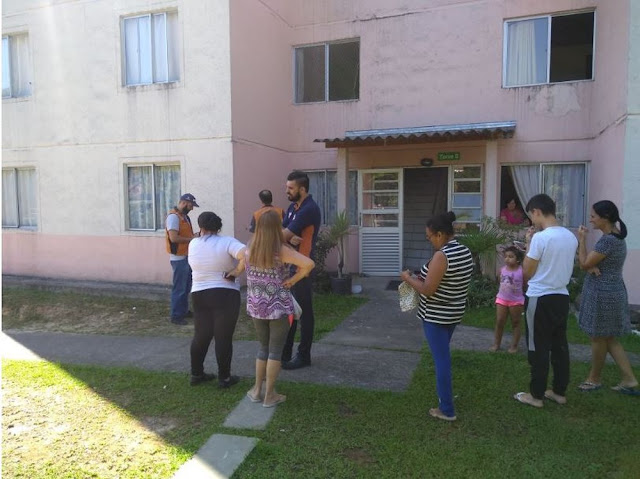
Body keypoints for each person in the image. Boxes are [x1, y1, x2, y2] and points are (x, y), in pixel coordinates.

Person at [400, 211, 474, 421]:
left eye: (430, 237)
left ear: (440, 234)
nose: (429, 240)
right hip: (453, 313)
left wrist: (407, 278)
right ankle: (446, 396)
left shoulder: (442, 255)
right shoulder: (464, 251)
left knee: (442, 361)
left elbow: (428, 289)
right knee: (443, 356)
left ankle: (447, 409)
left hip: (436, 316)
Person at [513, 194, 578, 408]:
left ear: (537, 211)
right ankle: (559, 391)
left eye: (531, 216)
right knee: (559, 345)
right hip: (561, 296)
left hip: (539, 297)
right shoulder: (570, 236)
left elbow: (527, 271)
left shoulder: (541, 238)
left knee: (537, 346)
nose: (532, 221)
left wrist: (529, 243)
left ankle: (536, 395)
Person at [245, 211, 315, 407]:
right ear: (277, 227)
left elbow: (241, 265)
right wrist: (292, 280)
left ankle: (256, 390)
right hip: (278, 306)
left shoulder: (249, 248)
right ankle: (270, 395)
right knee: (275, 351)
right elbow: (309, 264)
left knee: (263, 348)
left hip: (256, 306)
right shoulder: (280, 250)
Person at [576, 201, 639, 395]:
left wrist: (582, 239)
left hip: (603, 294)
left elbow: (583, 263)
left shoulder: (608, 241)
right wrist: (591, 266)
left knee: (598, 337)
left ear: (605, 217)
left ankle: (594, 379)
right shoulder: (616, 237)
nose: (590, 219)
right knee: (608, 337)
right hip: (611, 291)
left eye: (593, 216)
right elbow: (591, 264)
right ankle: (629, 379)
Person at [187, 211, 246, 388]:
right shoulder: (227, 242)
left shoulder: (193, 243)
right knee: (223, 336)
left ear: (200, 226)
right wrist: (236, 272)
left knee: (201, 335)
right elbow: (247, 254)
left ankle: (196, 374)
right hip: (225, 293)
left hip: (199, 293)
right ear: (218, 227)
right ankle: (224, 378)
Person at [281, 170, 321, 370]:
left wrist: (287, 236)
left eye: (291, 188)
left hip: (303, 268)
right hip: (292, 267)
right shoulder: (292, 207)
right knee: (290, 310)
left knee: (304, 313)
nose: (286, 191)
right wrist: (288, 237)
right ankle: (285, 353)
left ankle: (304, 356)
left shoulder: (309, 209)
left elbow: (281, 235)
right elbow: (282, 232)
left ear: (302, 189)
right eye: (287, 187)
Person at [166, 193, 199, 325]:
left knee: (186, 287)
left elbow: (185, 234)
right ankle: (176, 315)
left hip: (186, 256)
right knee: (180, 288)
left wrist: (194, 236)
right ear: (184, 203)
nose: (192, 208)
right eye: (191, 205)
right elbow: (174, 238)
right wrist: (192, 239)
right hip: (178, 258)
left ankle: (183, 311)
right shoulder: (173, 217)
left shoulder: (184, 217)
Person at [489, 245, 525, 353]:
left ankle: (514, 346)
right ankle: (496, 344)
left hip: (516, 300)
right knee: (500, 321)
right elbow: (499, 281)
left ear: (518, 259)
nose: (507, 259)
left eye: (511, 257)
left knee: (516, 322)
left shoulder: (521, 271)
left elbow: (525, 284)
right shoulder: (502, 270)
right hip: (502, 299)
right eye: (506, 256)